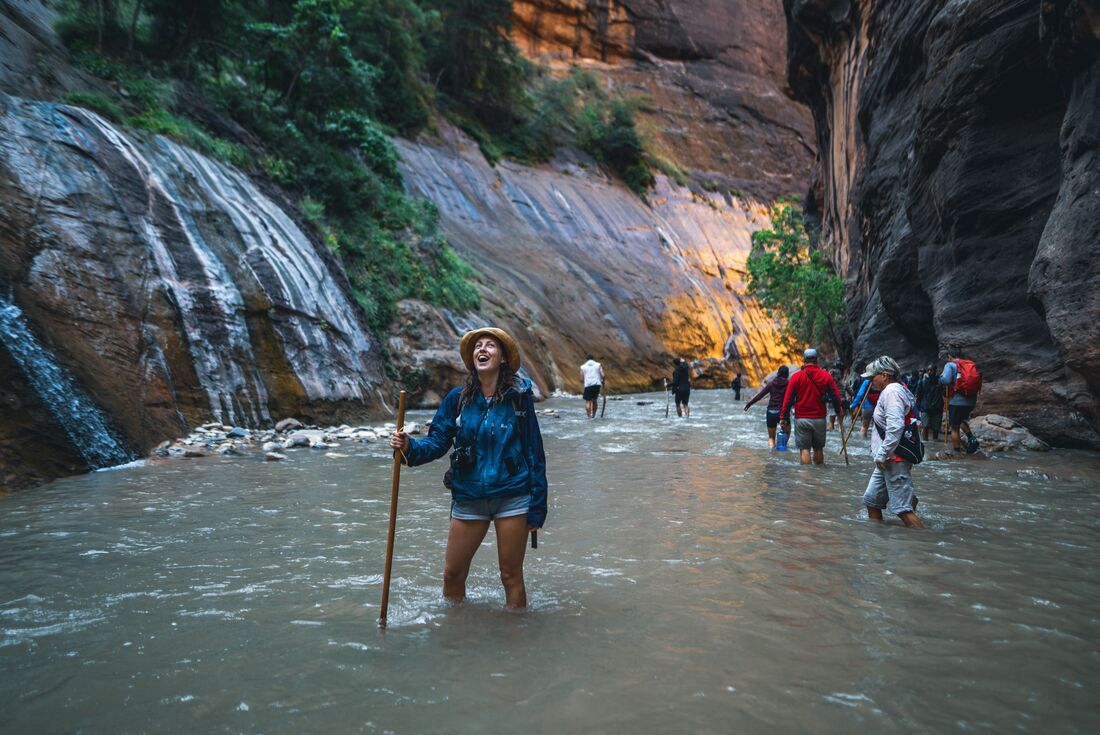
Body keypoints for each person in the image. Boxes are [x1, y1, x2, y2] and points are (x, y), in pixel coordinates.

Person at [389, 327, 548, 609]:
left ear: (502, 359)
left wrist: (538, 505)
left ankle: (517, 639)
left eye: (490, 346)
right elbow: (437, 442)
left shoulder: (518, 398)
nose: (482, 349)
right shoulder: (457, 399)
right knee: (452, 574)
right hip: (468, 495)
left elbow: (534, 451)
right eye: (477, 346)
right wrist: (408, 448)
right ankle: (456, 637)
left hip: (512, 494)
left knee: (510, 575)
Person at [860, 356, 924, 528]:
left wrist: (881, 454)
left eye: (873, 377)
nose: (870, 381)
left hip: (893, 458)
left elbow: (895, 427)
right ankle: (878, 542)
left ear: (885, 375)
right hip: (888, 459)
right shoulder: (898, 389)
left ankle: (924, 544)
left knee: (902, 509)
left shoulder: (892, 392)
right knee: (872, 500)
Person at [779, 348, 844, 465]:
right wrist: (839, 412)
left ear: (804, 360)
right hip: (819, 419)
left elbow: (788, 399)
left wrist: (783, 417)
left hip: (801, 419)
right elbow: (835, 397)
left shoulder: (796, 377)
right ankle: (818, 479)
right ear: (816, 360)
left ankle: (807, 479)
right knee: (818, 448)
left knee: (805, 449)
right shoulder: (826, 376)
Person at [939, 352, 981, 454]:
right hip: (971, 400)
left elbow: (945, 380)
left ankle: (956, 451)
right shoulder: (969, 364)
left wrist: (940, 377)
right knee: (960, 419)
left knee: (954, 426)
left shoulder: (950, 365)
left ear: (949, 356)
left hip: (957, 401)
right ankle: (972, 439)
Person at [744, 365, 789, 449]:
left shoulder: (771, 383)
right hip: (782, 413)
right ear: (787, 374)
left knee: (771, 437)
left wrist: (749, 404)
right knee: (786, 433)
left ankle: (771, 454)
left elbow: (760, 395)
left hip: (771, 412)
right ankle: (783, 451)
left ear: (778, 373)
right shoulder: (788, 384)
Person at [915, 365, 943, 441]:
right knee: (925, 426)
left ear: (935, 371)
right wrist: (918, 406)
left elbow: (943, 393)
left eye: (932, 370)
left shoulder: (940, 381)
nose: (930, 372)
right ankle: (926, 445)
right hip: (925, 407)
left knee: (936, 428)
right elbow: (919, 394)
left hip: (937, 408)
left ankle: (934, 444)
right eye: (929, 370)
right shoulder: (922, 381)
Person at [579, 354, 604, 419]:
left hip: (588, 385)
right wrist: (602, 381)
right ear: (593, 359)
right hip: (596, 385)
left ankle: (589, 416)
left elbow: (581, 379)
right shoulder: (598, 365)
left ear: (586, 359)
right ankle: (593, 416)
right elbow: (603, 375)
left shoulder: (582, 367)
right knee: (594, 400)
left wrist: (584, 381)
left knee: (588, 401)